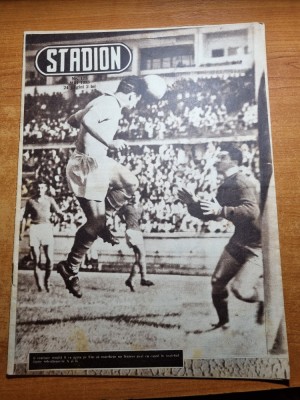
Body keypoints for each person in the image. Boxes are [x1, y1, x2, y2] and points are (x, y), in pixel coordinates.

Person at [57, 75, 166, 298]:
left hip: (97, 160)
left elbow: (73, 119)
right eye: (136, 100)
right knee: (96, 223)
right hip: (87, 165)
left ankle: (102, 223)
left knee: (130, 182)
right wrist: (109, 142)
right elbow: (87, 122)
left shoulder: (100, 101)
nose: (134, 105)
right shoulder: (110, 105)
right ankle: (70, 267)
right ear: (132, 95)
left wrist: (82, 133)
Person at [178, 144, 264, 330]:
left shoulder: (241, 181)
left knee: (240, 290)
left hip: (258, 246)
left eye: (222, 157)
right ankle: (223, 323)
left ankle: (266, 300)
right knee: (217, 282)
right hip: (238, 241)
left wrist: (222, 210)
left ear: (234, 161)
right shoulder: (226, 184)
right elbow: (213, 213)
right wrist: (192, 204)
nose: (217, 160)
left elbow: (252, 211)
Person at [20, 181, 63, 292]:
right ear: (36, 188)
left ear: (46, 188)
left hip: (47, 228)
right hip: (35, 228)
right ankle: (40, 286)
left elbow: (58, 212)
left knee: (50, 259)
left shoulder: (50, 200)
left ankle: (47, 281)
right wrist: (21, 232)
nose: (40, 189)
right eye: (38, 187)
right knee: (37, 260)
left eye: (42, 187)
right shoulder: (30, 201)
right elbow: (25, 217)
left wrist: (61, 216)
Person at [117, 200, 154, 292]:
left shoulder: (141, 207)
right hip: (131, 231)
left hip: (138, 232)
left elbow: (143, 219)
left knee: (138, 259)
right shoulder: (127, 206)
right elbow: (117, 213)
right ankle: (143, 278)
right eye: (133, 195)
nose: (135, 197)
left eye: (137, 195)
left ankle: (131, 280)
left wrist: (143, 221)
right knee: (142, 254)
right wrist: (123, 220)